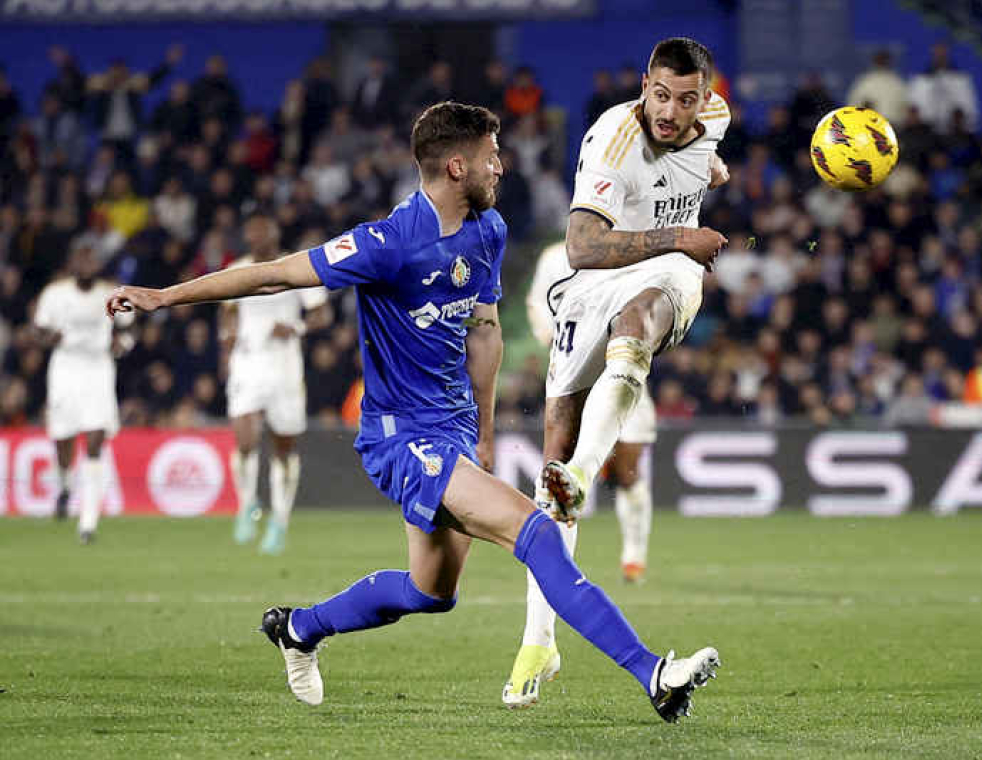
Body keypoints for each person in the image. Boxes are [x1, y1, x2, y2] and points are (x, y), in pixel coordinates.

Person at [107, 101, 720, 722]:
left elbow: (483, 329)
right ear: (457, 167)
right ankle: (654, 674)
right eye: (490, 156)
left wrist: (481, 430)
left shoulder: (489, 231)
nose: (501, 166)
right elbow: (275, 277)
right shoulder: (387, 243)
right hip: (401, 437)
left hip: (452, 428)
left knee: (432, 592)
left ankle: (297, 628)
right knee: (535, 532)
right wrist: (165, 297)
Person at [502, 37, 728, 709]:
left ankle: (582, 474)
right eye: (660, 95)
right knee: (551, 467)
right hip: (591, 277)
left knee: (643, 319)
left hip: (662, 277)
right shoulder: (613, 140)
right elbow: (580, 244)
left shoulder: (713, 120)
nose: (671, 111)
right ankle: (538, 641)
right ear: (643, 87)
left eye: (686, 99)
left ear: (705, 99)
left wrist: (708, 177)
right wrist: (681, 233)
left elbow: (701, 158)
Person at [525, 241, 657, 584]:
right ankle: (558, 562)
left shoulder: (630, 248)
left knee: (627, 471)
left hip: (620, 370)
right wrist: (549, 333)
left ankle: (634, 553)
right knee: (561, 467)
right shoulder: (554, 257)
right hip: (572, 373)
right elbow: (538, 299)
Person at [221, 213, 333, 554]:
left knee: (283, 447)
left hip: (285, 366)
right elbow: (227, 315)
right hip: (248, 364)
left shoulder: (296, 267)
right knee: (244, 438)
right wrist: (226, 351)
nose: (257, 239)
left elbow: (321, 314)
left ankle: (279, 522)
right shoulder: (235, 272)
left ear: (274, 235)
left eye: (263, 233)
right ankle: (246, 506)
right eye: (252, 233)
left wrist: (296, 327)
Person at [35, 241, 131, 542]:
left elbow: (129, 331)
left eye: (92, 259)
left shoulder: (112, 294)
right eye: (81, 259)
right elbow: (38, 330)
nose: (87, 265)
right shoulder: (55, 294)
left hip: (98, 370)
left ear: (98, 264)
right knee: (63, 440)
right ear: (72, 263)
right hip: (64, 370)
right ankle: (64, 486)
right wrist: (50, 337)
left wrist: (123, 346)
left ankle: (88, 524)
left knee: (94, 442)